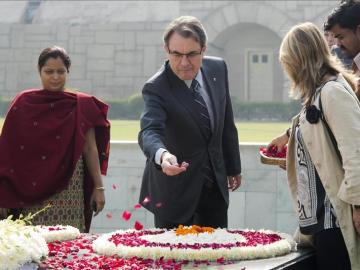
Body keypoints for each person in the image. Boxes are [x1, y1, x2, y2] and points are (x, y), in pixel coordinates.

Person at [138, 16, 242, 229]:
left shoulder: (218, 69)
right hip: (175, 192)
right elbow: (149, 131)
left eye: (192, 54)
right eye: (176, 54)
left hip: (214, 188)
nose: (184, 63)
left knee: (217, 256)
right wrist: (163, 156)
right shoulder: (156, 87)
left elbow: (226, 122)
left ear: (203, 49)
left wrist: (233, 167)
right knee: (176, 260)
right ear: (166, 50)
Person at [0, 46, 110, 233]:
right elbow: (7, 152)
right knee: (33, 245)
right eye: (49, 71)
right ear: (39, 71)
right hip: (29, 191)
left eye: (61, 71)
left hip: (69, 189)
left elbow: (90, 149)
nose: (55, 77)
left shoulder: (80, 104)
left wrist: (99, 188)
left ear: (68, 72)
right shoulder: (24, 102)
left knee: (69, 243)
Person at [279, 22, 360, 269]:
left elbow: (355, 152)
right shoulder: (319, 92)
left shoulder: (332, 92)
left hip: (335, 221)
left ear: (298, 61)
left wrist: (358, 206)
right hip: (320, 221)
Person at [270, 0, 360, 153]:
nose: (336, 44)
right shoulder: (342, 78)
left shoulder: (333, 89)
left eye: (340, 36)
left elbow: (352, 152)